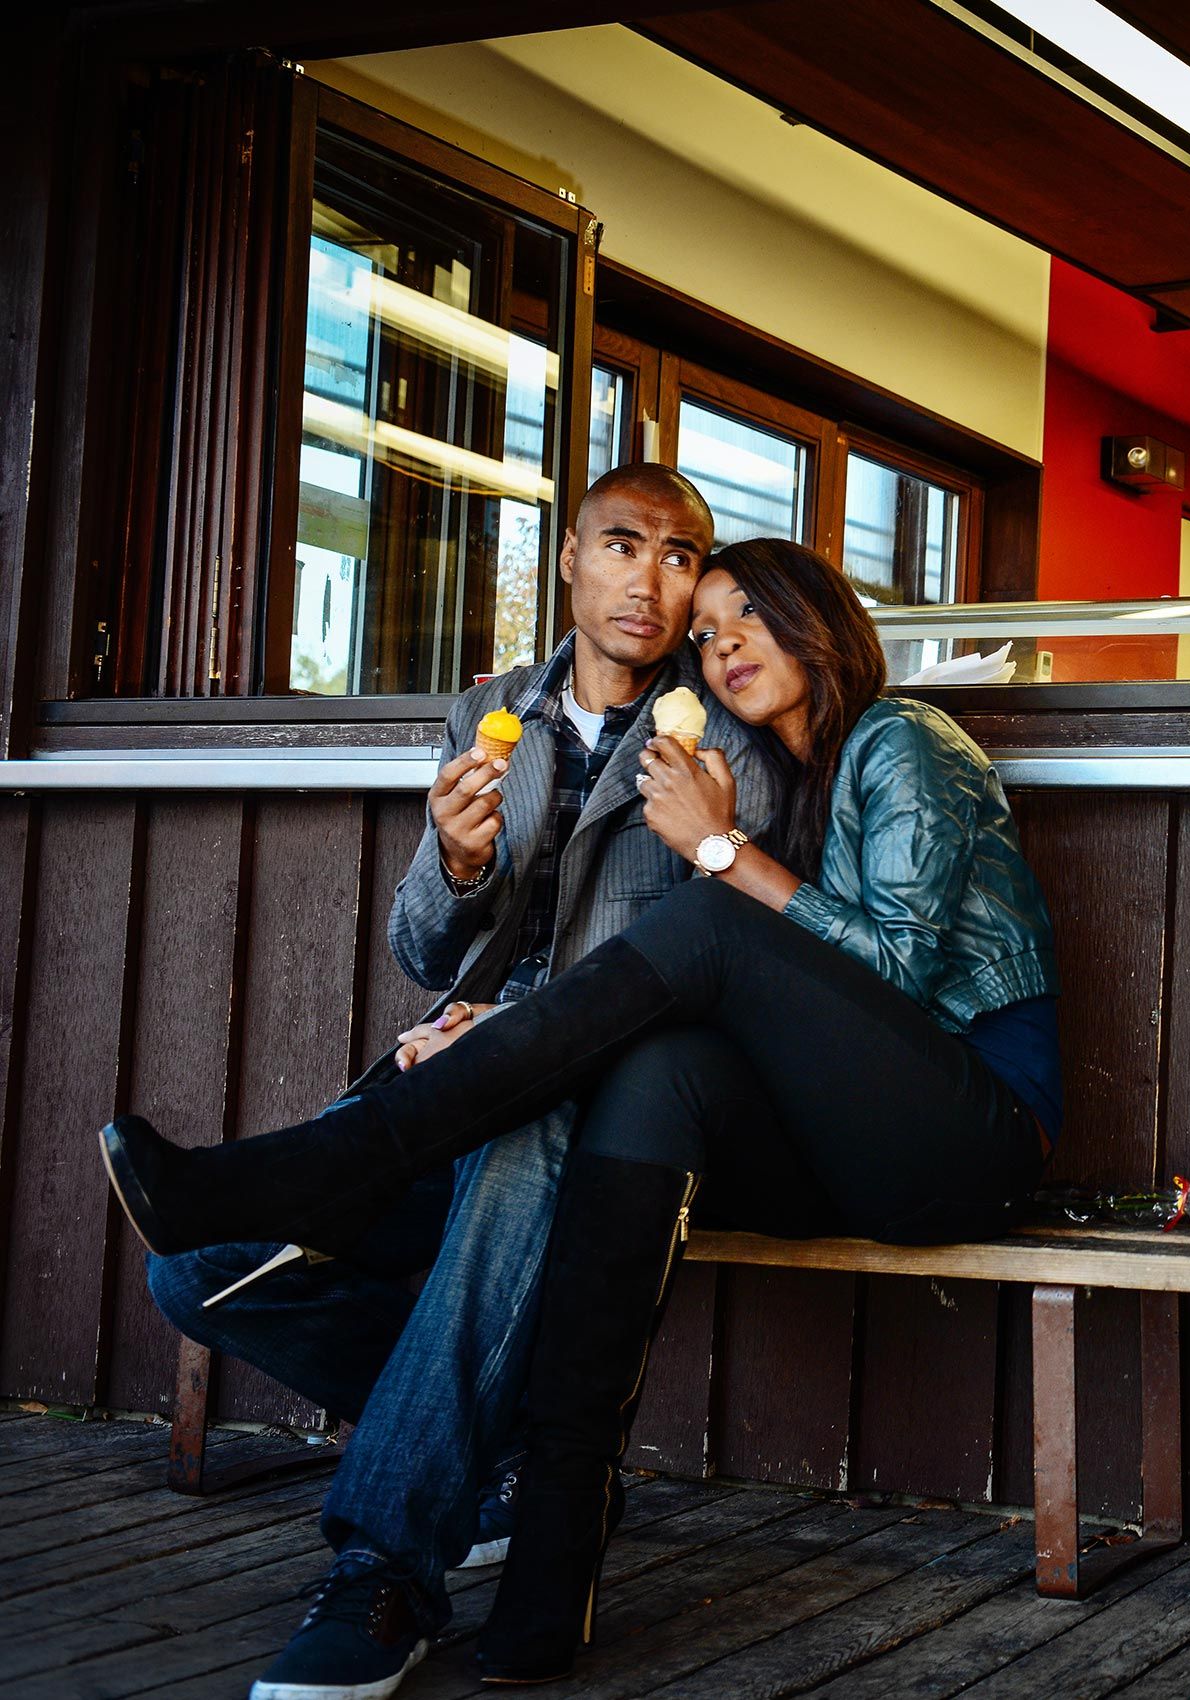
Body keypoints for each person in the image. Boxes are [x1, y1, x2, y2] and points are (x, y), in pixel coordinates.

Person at [104, 536, 1063, 1685]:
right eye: (708, 633)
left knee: (701, 928)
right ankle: (554, 1536)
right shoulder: (757, 775)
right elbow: (735, 1008)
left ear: (819, 615)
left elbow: (895, 972)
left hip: (967, 1131)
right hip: (835, 1143)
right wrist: (503, 1001)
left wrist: (718, 850)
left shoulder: (901, 739)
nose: (723, 644)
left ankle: (331, 1161)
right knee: (661, 1073)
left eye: (749, 613)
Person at [141, 464, 777, 1700]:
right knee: (199, 1268)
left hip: (602, 1105)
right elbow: (423, 951)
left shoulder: (732, 732)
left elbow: (716, 962)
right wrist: (454, 859)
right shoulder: (490, 709)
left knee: (522, 1129)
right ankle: (505, 1455)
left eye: (680, 554)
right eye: (623, 544)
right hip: (443, 1082)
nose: (649, 579)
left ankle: (383, 1570)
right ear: (570, 558)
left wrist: (517, 1026)